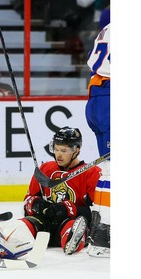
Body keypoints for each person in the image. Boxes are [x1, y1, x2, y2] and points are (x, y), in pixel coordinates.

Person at [18, 126, 102, 255]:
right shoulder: (45, 169)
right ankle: (12, 237)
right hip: (43, 223)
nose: (58, 154)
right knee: (23, 226)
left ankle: (73, 238)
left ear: (76, 150)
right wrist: (36, 204)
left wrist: (69, 209)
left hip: (69, 222)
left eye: (64, 150)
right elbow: (27, 202)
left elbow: (99, 213)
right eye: (56, 149)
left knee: (73, 226)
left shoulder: (91, 173)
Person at [85, 23, 110, 258]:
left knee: (110, 170)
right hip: (109, 97)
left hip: (98, 95)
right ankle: (105, 237)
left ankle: (100, 233)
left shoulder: (109, 27)